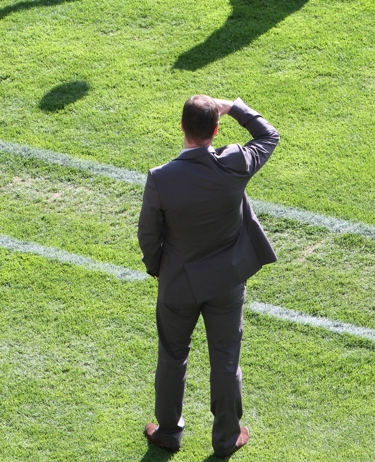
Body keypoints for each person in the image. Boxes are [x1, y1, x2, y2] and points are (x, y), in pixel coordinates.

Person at [137, 95, 280, 458]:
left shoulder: (161, 178)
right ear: (216, 129)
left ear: (182, 128)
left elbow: (149, 237)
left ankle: (168, 433)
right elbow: (268, 136)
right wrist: (234, 107)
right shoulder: (234, 164)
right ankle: (227, 438)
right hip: (227, 282)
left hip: (178, 283)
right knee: (226, 356)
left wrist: (160, 270)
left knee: (172, 355)